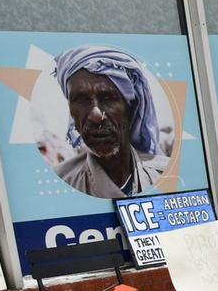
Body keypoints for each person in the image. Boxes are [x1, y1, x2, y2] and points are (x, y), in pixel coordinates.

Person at [49, 45, 169, 197]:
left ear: (131, 108)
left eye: (108, 98)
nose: (96, 115)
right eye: (81, 99)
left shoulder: (166, 175)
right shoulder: (60, 183)